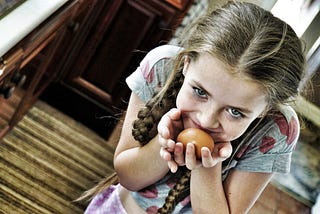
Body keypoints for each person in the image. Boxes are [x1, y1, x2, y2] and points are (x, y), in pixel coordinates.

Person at [82, 1, 306, 213]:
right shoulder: (162, 67)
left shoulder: (278, 129)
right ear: (186, 64)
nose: (207, 120)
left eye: (235, 112)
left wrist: (207, 165)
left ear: (266, 110)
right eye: (200, 92)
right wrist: (165, 143)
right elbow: (127, 177)